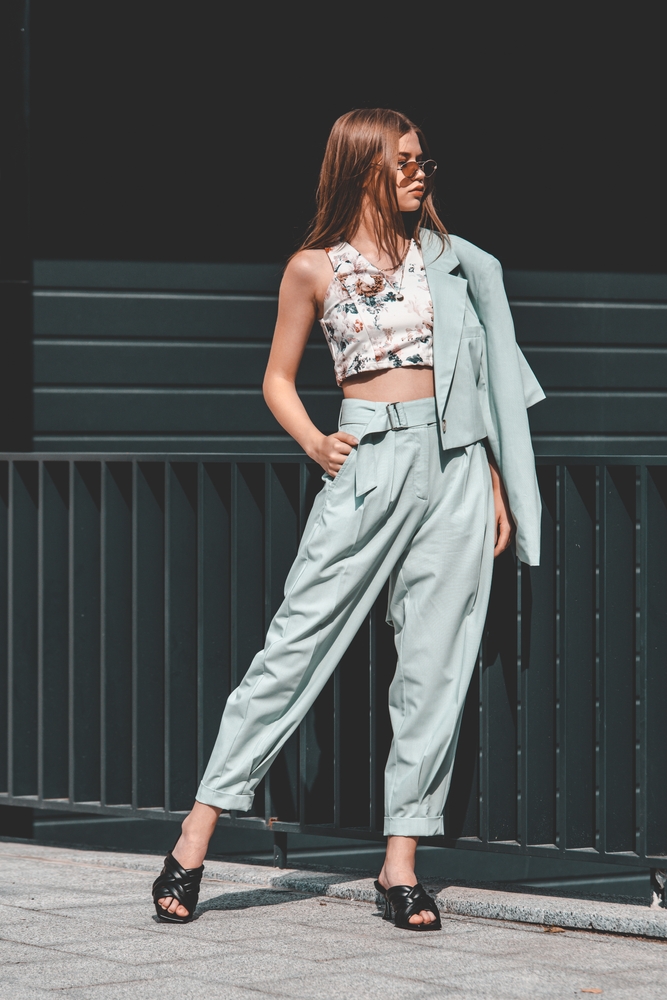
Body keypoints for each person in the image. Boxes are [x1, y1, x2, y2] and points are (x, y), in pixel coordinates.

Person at [152, 108, 545, 931]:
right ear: (361, 165)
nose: (419, 172)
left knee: (434, 667)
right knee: (293, 648)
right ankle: (195, 839)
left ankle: (399, 864)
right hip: (367, 465)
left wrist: (498, 486)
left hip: (458, 470)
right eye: (401, 161)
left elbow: (477, 378)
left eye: (422, 160)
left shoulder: (448, 262)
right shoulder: (314, 268)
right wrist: (314, 444)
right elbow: (277, 379)